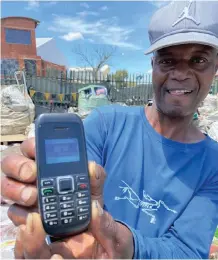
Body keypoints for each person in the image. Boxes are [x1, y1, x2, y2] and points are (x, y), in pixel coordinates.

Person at [1, 1, 218, 259]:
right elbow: (69, 208)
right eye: (168, 60)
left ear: (215, 69)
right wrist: (37, 198)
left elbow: (187, 251)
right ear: (153, 66)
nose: (181, 73)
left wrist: (120, 244)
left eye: (199, 60)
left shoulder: (213, 164)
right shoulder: (105, 124)